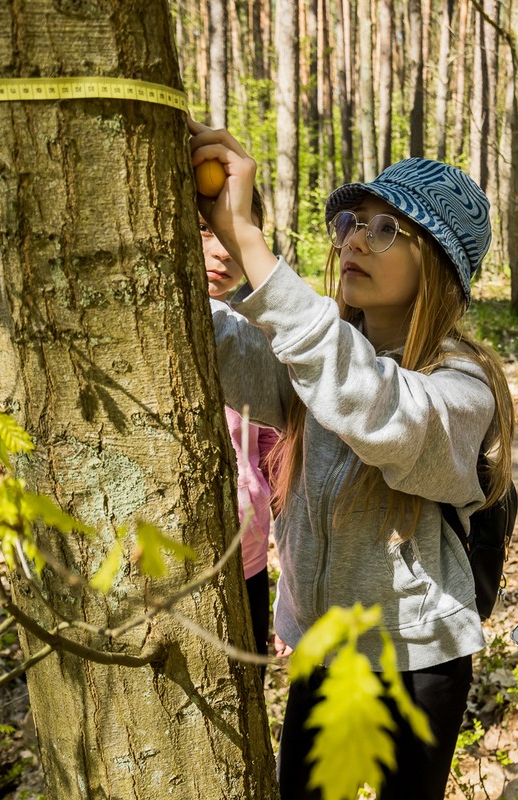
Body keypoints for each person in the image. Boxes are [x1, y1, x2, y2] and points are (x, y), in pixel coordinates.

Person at [188, 119, 515, 800]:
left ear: (442, 264)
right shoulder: (321, 358)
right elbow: (223, 352)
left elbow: (379, 411)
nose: (354, 240)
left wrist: (251, 242)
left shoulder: (462, 386)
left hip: (417, 662)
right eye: (351, 223)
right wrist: (199, 237)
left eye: (387, 229)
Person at [200, 189, 279, 664]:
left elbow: (274, 450)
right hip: (174, 559)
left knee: (247, 681)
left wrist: (290, 577)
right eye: (207, 228)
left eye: (236, 233)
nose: (224, 249)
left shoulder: (250, 336)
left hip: (248, 561)